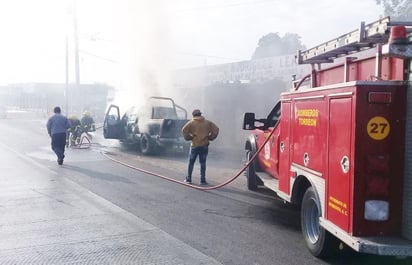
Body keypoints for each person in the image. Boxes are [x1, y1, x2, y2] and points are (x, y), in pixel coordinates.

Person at [182, 109, 219, 185]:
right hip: (204, 146)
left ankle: (189, 179)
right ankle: (203, 180)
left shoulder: (191, 123)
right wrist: (210, 137)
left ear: (193, 115)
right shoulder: (207, 123)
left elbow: (184, 130)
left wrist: (188, 138)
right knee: (203, 163)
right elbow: (216, 129)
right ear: (200, 114)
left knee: (191, 162)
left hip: (194, 146)